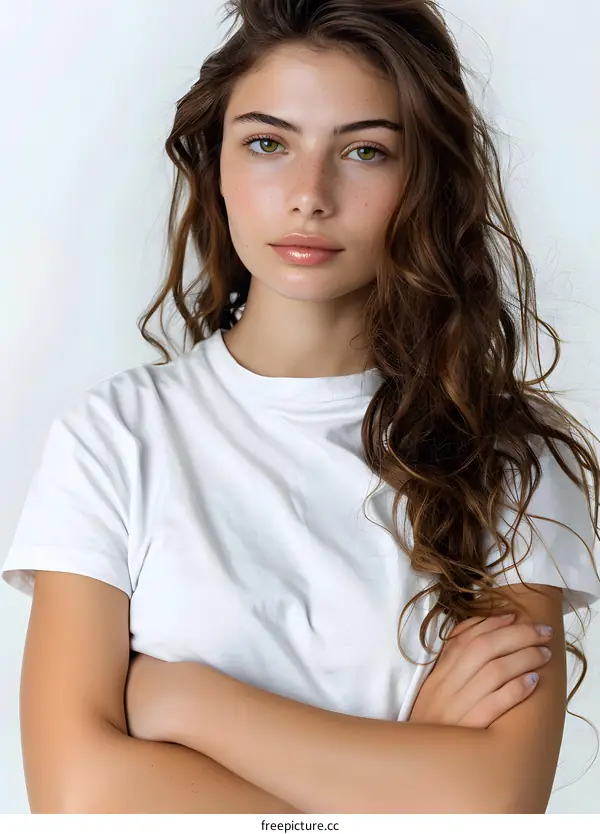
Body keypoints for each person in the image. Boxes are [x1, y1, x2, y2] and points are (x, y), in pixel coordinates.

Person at [2, 0, 600, 815]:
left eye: (364, 151)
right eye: (268, 143)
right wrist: (404, 782)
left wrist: (186, 703)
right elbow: (78, 797)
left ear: (426, 177)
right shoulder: (114, 440)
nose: (309, 195)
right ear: (215, 161)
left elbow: (494, 806)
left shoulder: (509, 461)